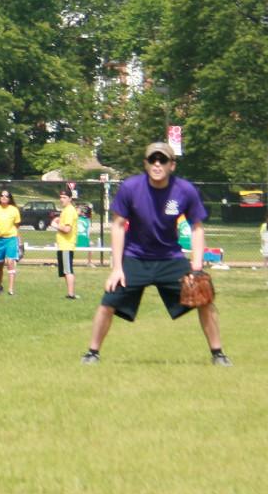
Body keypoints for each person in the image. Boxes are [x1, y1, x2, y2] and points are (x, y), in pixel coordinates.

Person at [82, 141, 228, 366]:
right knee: (108, 300)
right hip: (135, 257)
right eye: (152, 160)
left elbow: (197, 227)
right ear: (146, 163)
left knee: (204, 298)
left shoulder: (184, 190)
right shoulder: (131, 187)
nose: (157, 164)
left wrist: (197, 268)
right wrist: (117, 268)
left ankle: (218, 354)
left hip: (170, 258)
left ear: (172, 165)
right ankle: (92, 353)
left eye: (163, 160)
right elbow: (119, 225)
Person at [0, 188, 23, 296]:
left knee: (10, 262)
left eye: (6, 196)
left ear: (10, 198)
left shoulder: (14, 210)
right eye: (2, 195)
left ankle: (11, 289)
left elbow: (16, 227)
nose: (4, 198)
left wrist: (19, 241)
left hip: (11, 238)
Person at [53, 193, 80, 299]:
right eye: (60, 197)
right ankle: (70, 293)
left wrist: (55, 225)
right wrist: (58, 220)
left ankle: (71, 294)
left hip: (66, 245)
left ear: (70, 198)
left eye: (64, 197)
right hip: (63, 245)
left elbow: (67, 230)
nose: (61, 199)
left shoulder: (69, 210)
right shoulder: (66, 210)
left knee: (68, 270)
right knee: (65, 271)